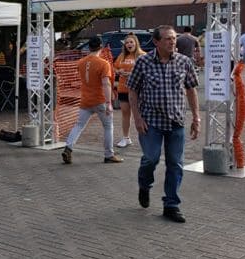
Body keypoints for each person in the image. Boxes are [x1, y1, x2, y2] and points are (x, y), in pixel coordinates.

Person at [128, 26, 200, 223]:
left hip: (176, 122)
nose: (172, 42)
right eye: (168, 39)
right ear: (156, 42)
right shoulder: (143, 62)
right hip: (151, 122)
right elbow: (132, 91)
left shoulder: (184, 62)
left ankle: (171, 205)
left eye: (174, 39)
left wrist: (196, 117)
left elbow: (192, 90)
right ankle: (145, 185)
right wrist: (137, 118)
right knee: (150, 159)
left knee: (175, 164)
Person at [61, 36, 123, 165]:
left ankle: (68, 147)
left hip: (85, 99)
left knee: (79, 125)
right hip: (100, 99)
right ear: (101, 46)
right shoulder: (103, 63)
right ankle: (108, 154)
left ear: (89, 47)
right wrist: (108, 103)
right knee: (108, 127)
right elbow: (106, 84)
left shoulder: (81, 62)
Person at [113, 33, 147, 148]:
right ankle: (125, 138)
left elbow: (147, 71)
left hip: (138, 90)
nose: (129, 44)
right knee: (125, 113)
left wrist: (132, 73)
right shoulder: (122, 56)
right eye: (127, 42)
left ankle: (146, 137)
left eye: (131, 42)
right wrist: (118, 71)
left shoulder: (142, 56)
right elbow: (115, 67)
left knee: (142, 114)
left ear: (136, 43)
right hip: (123, 88)